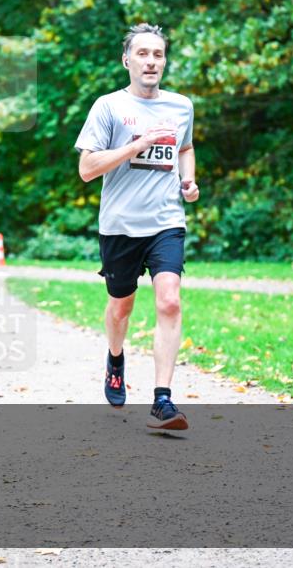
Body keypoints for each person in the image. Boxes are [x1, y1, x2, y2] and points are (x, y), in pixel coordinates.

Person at [75, 23, 200, 431]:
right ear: (126, 60)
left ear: (164, 61)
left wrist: (188, 179)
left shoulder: (181, 106)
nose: (151, 61)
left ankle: (162, 401)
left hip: (166, 220)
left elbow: (185, 146)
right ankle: (115, 357)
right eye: (143, 54)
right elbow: (87, 169)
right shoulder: (108, 107)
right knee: (121, 305)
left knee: (169, 301)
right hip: (120, 226)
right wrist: (135, 145)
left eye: (158, 54)